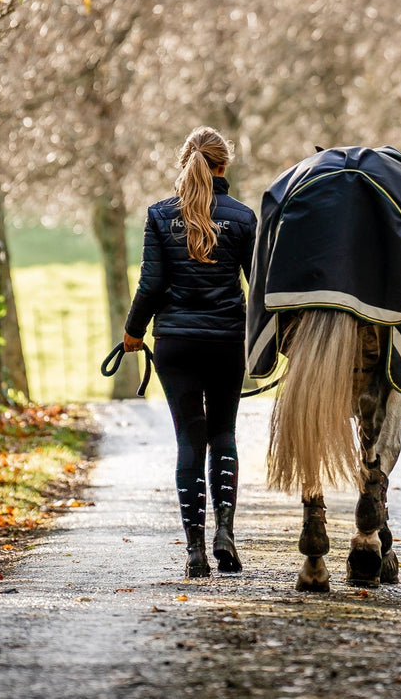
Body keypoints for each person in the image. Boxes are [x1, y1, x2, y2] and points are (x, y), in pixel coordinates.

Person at [123, 127, 256, 578]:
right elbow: (257, 288)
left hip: (176, 342)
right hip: (225, 341)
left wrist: (133, 331)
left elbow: (152, 284)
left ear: (184, 162)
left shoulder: (160, 216)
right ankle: (226, 535)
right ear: (224, 166)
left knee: (188, 440)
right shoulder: (242, 217)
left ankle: (196, 551)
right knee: (224, 434)